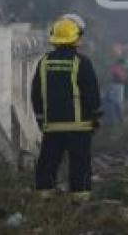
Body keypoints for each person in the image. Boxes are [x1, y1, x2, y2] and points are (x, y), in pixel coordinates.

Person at [31, 16, 102, 201]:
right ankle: (80, 198)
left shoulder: (44, 62)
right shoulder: (82, 62)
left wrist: (40, 119)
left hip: (52, 125)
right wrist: (95, 116)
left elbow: (36, 94)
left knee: (48, 162)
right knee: (80, 163)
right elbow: (91, 92)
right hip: (79, 126)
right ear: (76, 39)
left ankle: (44, 196)